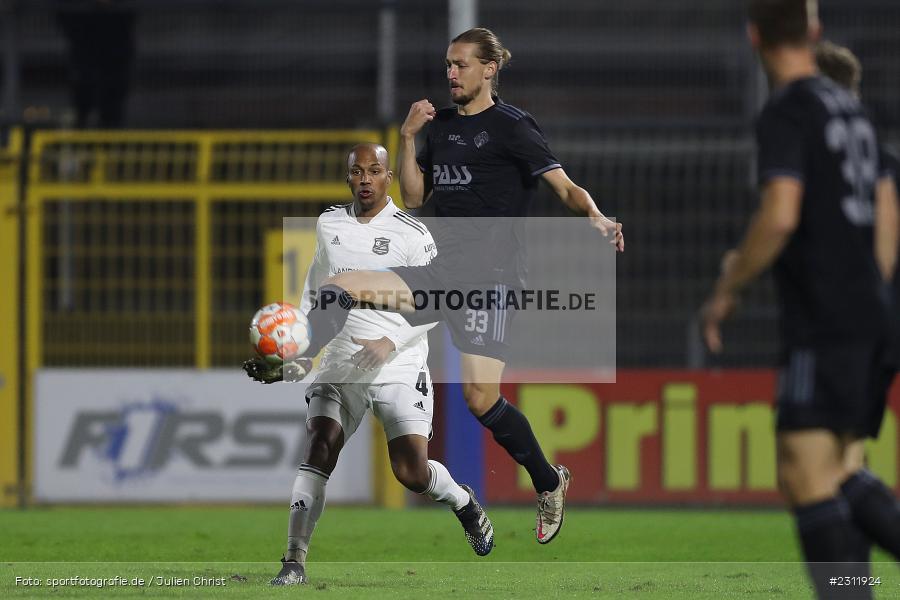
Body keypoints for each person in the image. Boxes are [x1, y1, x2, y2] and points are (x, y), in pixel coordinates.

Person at [294, 27, 624, 545]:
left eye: (461, 65)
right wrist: (407, 138)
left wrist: (598, 217)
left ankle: (548, 482)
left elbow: (563, 185)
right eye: (448, 64)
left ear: (489, 69)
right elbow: (415, 194)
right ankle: (296, 352)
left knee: (478, 398)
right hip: (441, 273)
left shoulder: (514, 127)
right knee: (344, 283)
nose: (451, 73)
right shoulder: (441, 128)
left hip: (490, 282)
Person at [701, 2, 899, 597]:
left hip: (825, 314)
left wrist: (729, 285)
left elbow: (781, 212)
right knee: (841, 472)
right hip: (869, 309)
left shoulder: (788, 108)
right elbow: (886, 219)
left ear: (754, 35)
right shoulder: (853, 110)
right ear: (813, 31)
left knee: (805, 474)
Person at [245, 143, 495, 586]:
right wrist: (298, 354)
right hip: (342, 357)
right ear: (348, 178)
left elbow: (441, 302)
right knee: (319, 444)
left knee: (411, 473)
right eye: (357, 172)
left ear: (388, 178)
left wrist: (391, 338)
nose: (365, 179)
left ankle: (463, 502)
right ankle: (293, 560)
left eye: (374, 171)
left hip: (399, 359)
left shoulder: (413, 234)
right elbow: (315, 295)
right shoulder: (328, 225)